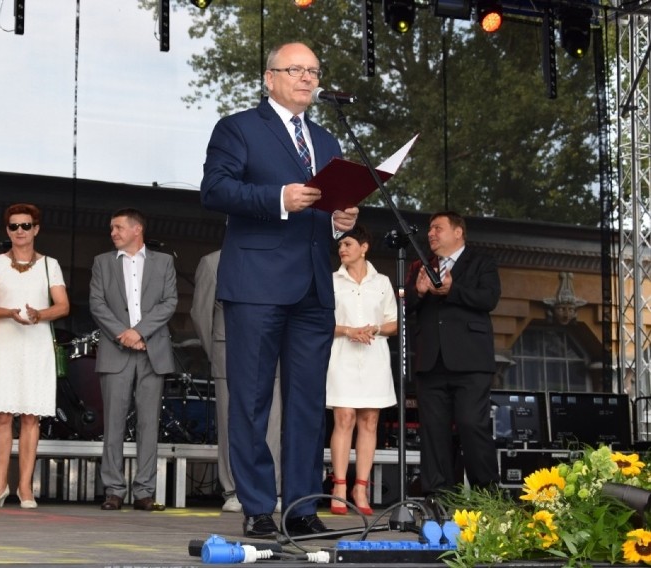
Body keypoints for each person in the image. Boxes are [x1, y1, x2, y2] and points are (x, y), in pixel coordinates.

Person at [200, 41, 359, 538]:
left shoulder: (328, 140)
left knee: (309, 403)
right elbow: (215, 190)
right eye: (296, 69)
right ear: (269, 77)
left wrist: (340, 221)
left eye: (314, 71)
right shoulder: (239, 128)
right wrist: (280, 198)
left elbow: (331, 210)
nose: (308, 78)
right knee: (250, 401)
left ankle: (302, 506)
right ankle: (255, 506)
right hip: (257, 285)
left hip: (313, 287)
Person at [403, 211, 501, 501]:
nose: (431, 234)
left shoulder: (481, 262)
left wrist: (452, 289)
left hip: (470, 361)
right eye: (430, 229)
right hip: (431, 362)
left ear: (458, 232)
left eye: (438, 228)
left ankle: (486, 496)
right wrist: (419, 292)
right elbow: (404, 308)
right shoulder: (420, 266)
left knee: (472, 424)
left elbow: (489, 298)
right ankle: (438, 497)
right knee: (433, 431)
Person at [0, 203, 70, 509]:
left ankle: (25, 488)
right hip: (5, 341)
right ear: (8, 231)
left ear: (36, 229)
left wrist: (39, 314)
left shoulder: (50, 265)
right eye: (14, 226)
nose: (20, 231)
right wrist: (10, 313)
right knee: (2, 416)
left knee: (31, 416)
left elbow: (63, 305)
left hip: (36, 343)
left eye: (25, 226)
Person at [89, 208, 177, 512]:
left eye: (118, 227)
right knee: (113, 424)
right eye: (111, 228)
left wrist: (138, 332)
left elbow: (170, 302)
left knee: (148, 424)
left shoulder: (164, 262)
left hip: (152, 351)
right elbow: (97, 304)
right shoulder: (102, 262)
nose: (112, 233)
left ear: (136, 229)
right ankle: (113, 490)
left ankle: (144, 492)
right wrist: (123, 334)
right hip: (117, 352)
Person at [190, 250, 282, 514]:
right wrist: (214, 351)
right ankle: (233, 489)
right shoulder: (212, 261)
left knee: (272, 423)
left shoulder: (273, 257)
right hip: (227, 348)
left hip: (269, 349)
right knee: (230, 421)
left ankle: (271, 489)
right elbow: (200, 313)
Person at [326, 226, 398, 516]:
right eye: (340, 245)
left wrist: (376, 328)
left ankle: (361, 487)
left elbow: (393, 322)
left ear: (364, 247)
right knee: (343, 417)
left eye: (348, 243)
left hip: (374, 356)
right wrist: (348, 330)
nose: (342, 249)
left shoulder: (382, 282)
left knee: (370, 421)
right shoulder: (331, 281)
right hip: (342, 354)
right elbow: (321, 322)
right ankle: (340, 486)